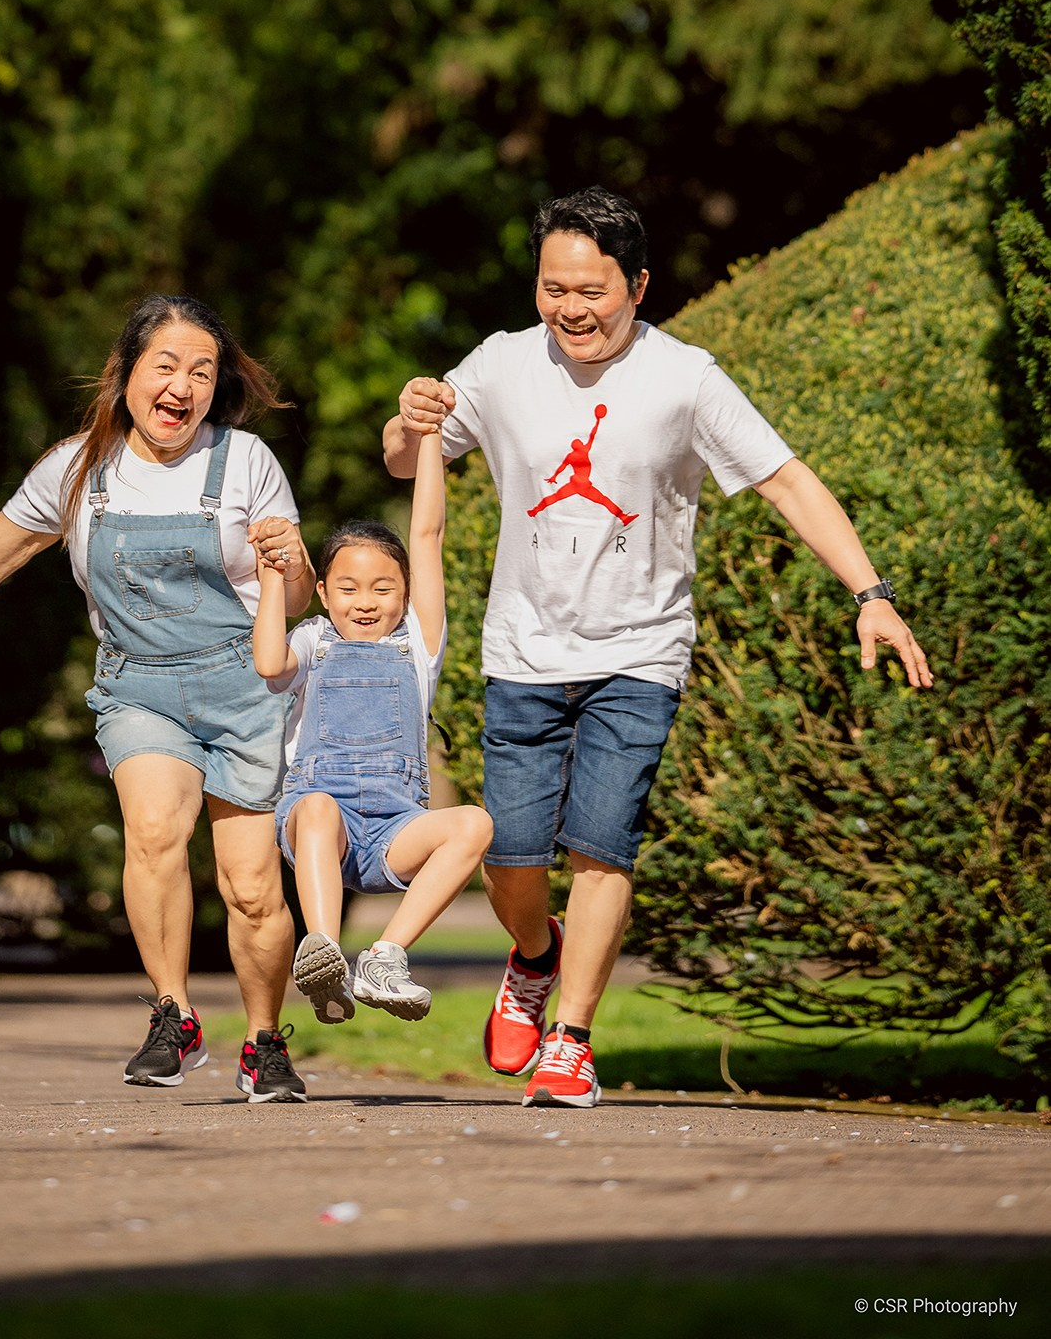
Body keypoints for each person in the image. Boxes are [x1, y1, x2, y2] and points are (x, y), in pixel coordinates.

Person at [383, 185, 932, 1110]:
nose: (571, 309)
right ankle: (534, 957)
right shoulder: (501, 363)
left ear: (636, 286)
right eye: (553, 288)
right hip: (521, 653)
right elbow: (406, 459)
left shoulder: (685, 378)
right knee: (509, 863)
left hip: (639, 654)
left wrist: (869, 593)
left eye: (591, 291)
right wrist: (410, 417)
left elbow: (786, 481)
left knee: (602, 849)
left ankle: (571, 1040)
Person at [0, 294, 316, 1105]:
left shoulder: (245, 461)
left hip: (244, 685)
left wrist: (294, 560)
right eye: (166, 366)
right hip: (139, 688)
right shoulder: (77, 470)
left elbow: (300, 594)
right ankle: (174, 1015)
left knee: (250, 887)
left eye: (202, 372)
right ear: (127, 373)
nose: (182, 387)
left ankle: (264, 1040)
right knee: (153, 831)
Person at [253, 424, 493, 1026]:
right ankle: (324, 953)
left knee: (474, 823)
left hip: (394, 830)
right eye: (349, 588)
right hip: (321, 831)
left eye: (384, 588)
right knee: (317, 808)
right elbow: (269, 665)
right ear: (323, 593)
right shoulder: (312, 640)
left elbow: (427, 533)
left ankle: (384, 959)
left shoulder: (418, 644)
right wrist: (271, 577)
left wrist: (432, 435)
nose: (366, 601)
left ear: (407, 595)